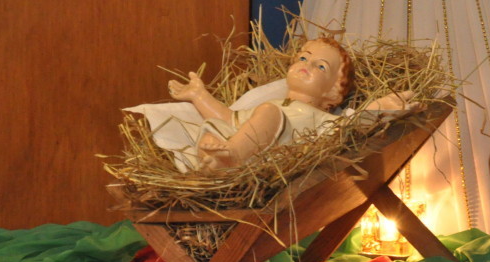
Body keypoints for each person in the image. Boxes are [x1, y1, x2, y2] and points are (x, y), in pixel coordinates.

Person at [164, 37, 418, 172]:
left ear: (332, 92)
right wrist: (199, 96)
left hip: (269, 160)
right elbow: (231, 119)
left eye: (320, 67)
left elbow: (348, 127)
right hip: (240, 153)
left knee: (268, 112)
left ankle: (230, 156)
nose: (307, 65)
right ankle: (212, 164)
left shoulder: (317, 117)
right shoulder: (272, 104)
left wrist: (378, 108)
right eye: (303, 58)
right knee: (213, 127)